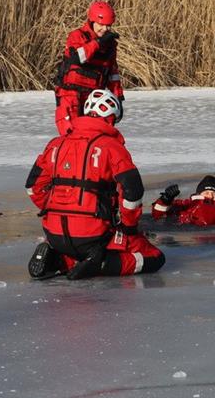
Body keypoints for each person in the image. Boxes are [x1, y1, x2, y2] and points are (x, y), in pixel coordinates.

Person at [25, 89, 165, 279]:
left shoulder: (55, 144)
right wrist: (128, 226)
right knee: (154, 257)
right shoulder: (112, 147)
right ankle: (102, 265)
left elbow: (33, 188)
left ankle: (58, 258)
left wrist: (55, 208)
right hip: (93, 233)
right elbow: (133, 191)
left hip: (54, 233)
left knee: (79, 248)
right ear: (111, 118)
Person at [54, 0, 123, 135]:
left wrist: (118, 98)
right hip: (71, 95)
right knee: (72, 135)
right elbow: (78, 58)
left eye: (108, 26)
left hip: (94, 98)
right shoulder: (77, 36)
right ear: (92, 21)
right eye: (101, 25)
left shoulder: (110, 45)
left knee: (95, 134)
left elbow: (112, 73)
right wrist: (98, 43)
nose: (105, 30)